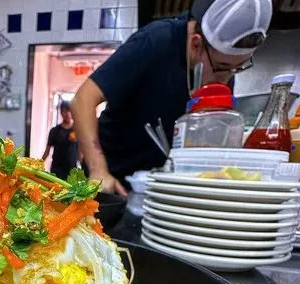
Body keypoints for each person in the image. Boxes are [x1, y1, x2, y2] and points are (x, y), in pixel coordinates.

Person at [71, 0, 273, 195]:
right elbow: (83, 100)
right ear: (196, 44)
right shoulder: (156, 40)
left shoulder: (222, 68)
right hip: (111, 182)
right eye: (222, 68)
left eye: (238, 68)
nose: (226, 78)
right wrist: (99, 170)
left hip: (160, 186)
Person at [42, 101, 79, 180]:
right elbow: (47, 151)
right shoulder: (54, 131)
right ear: (61, 112)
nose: (68, 114)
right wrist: (38, 164)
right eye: (65, 111)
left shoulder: (77, 130)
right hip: (57, 169)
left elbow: (81, 152)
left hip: (72, 170)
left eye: (70, 111)